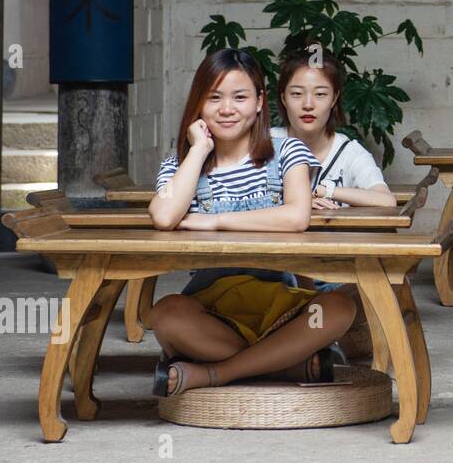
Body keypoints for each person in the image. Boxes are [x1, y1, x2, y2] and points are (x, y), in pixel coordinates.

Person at [146, 49, 357, 396]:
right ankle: (286, 364)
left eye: (240, 97)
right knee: (166, 315)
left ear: (260, 102)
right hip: (212, 310)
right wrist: (198, 150)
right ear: (198, 104)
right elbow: (164, 216)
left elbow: (296, 216)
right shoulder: (181, 165)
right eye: (214, 98)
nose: (227, 109)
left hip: (280, 306)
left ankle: (216, 374)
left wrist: (215, 222)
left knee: (338, 307)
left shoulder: (287, 152)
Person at [274, 48, 395, 209]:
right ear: (284, 98)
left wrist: (322, 191)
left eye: (320, 94)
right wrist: (298, 202)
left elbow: (386, 200)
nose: (308, 105)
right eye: (297, 94)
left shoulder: (349, 152)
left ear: (334, 99)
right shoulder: (264, 144)